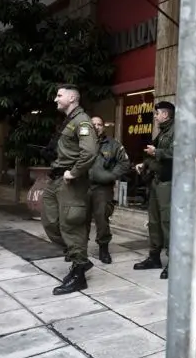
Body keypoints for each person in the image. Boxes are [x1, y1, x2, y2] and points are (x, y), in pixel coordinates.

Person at [41, 85, 98, 295]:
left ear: (73, 97)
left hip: (71, 182)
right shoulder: (69, 121)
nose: (55, 99)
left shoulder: (82, 121)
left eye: (59, 95)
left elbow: (90, 152)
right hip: (56, 180)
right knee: (50, 221)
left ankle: (79, 272)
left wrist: (74, 172)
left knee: (71, 225)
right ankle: (79, 260)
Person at [134, 101, 175, 279]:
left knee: (167, 223)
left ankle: (174, 263)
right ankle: (154, 257)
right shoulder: (164, 131)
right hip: (157, 182)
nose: (156, 116)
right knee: (154, 222)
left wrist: (156, 152)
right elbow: (156, 156)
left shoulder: (177, 130)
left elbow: (178, 154)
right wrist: (145, 163)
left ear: (165, 114)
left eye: (157, 113)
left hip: (169, 183)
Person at [86, 116, 131, 264]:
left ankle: (103, 249)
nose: (97, 126)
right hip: (81, 187)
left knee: (102, 219)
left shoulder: (113, 144)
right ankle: (78, 249)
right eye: (94, 124)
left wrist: (110, 175)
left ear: (103, 127)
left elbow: (124, 163)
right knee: (79, 218)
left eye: (100, 124)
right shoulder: (80, 143)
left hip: (102, 189)